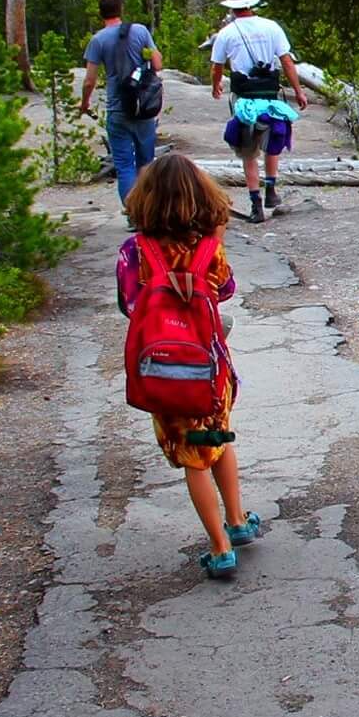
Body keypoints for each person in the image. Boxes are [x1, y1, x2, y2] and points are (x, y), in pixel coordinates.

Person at [118, 152, 263, 580]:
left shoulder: (134, 251)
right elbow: (227, 289)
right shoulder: (208, 251)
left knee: (192, 456)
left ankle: (219, 549)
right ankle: (236, 524)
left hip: (163, 370)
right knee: (217, 436)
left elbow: (129, 304)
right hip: (210, 367)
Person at [208, 0, 309, 224]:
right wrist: (298, 91)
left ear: (232, 7)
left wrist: (216, 86)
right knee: (273, 140)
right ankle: (271, 190)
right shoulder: (271, 27)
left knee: (248, 151)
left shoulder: (226, 34)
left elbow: (217, 66)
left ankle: (256, 205)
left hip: (244, 97)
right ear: (251, 4)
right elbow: (286, 61)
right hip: (269, 93)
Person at [80, 0, 164, 206]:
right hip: (144, 105)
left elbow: (89, 80)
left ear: (100, 13)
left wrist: (84, 103)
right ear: (121, 9)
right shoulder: (140, 31)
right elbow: (157, 64)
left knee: (124, 164)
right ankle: (148, 209)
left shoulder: (97, 40)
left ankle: (131, 213)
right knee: (146, 161)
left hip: (118, 108)